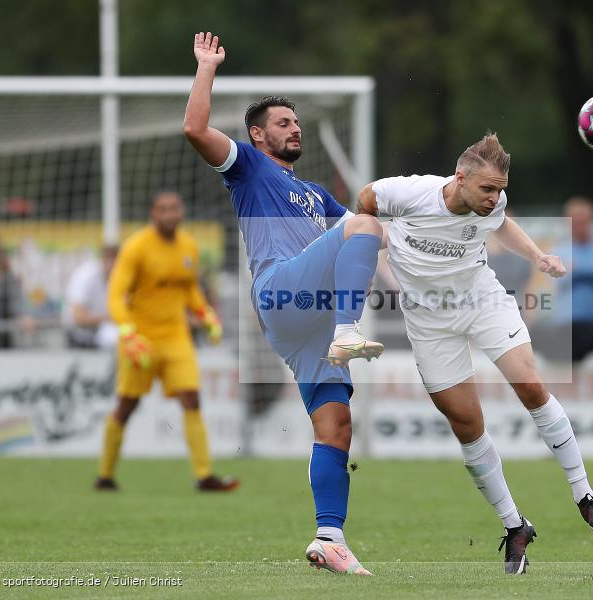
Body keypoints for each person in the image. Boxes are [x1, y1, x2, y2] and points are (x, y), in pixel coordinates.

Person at [357, 133, 593, 575]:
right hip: (428, 321)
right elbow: (364, 203)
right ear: (459, 179)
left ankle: (584, 495)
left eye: (501, 190)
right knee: (467, 425)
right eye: (487, 189)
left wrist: (538, 257)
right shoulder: (407, 193)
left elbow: (501, 223)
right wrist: (368, 247)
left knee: (531, 386)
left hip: (483, 301)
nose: (495, 198)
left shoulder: (490, 204)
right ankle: (515, 525)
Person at [183, 32, 383, 576]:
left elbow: (371, 241)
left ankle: (330, 537)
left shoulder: (317, 194)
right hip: (281, 291)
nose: (293, 128)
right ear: (257, 134)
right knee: (363, 224)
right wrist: (207, 68)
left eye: (296, 123)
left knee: (337, 424)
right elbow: (195, 129)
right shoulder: (248, 165)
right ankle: (348, 329)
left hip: (305, 322)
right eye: (283, 123)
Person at [94, 191, 237, 493]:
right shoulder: (136, 248)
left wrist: (206, 314)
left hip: (175, 337)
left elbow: (189, 291)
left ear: (181, 211)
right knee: (126, 405)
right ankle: (105, 475)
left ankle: (204, 475)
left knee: (192, 398)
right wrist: (128, 333)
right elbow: (115, 295)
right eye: (163, 210)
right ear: (153, 213)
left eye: (174, 208)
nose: (170, 215)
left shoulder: (189, 247)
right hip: (141, 339)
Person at [551, 197, 593, 363]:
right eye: (576, 222)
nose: (580, 227)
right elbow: (558, 278)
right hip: (569, 322)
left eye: (584, 222)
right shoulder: (560, 250)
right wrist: (587, 271)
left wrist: (577, 269)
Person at [63, 245, 119, 349]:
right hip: (79, 337)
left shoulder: (120, 277)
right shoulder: (86, 275)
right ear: (103, 260)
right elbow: (78, 316)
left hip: (101, 334)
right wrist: (110, 318)